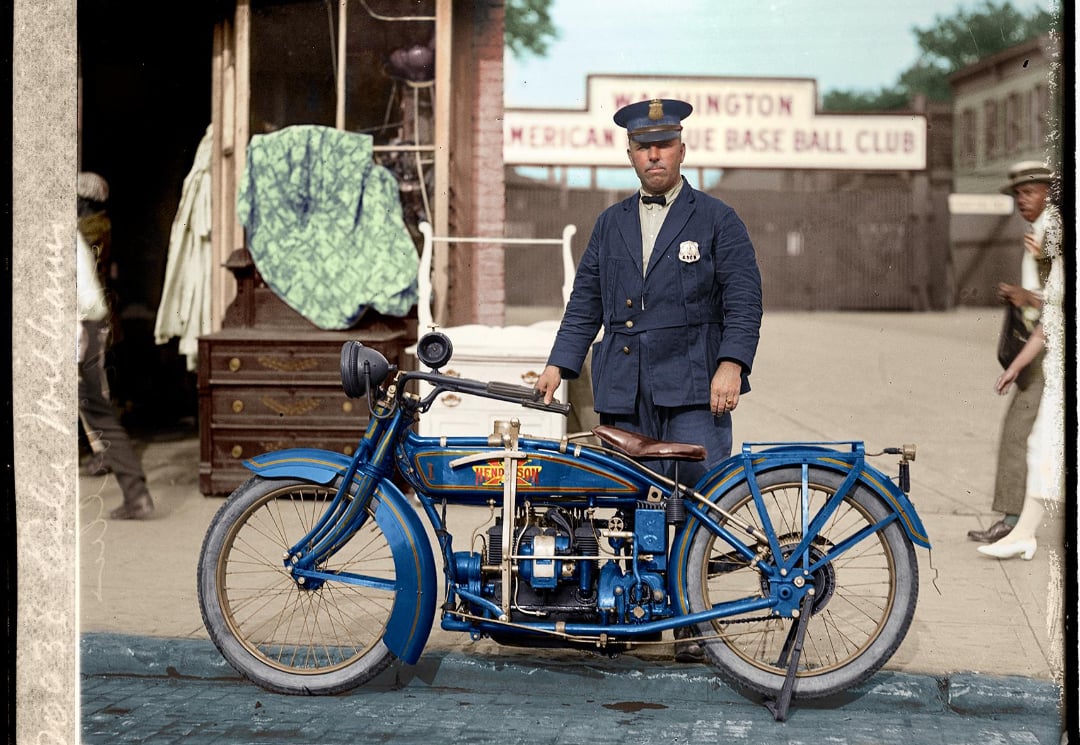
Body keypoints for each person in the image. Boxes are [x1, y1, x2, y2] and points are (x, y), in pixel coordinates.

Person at [535, 98, 763, 660]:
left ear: (682, 151)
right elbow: (585, 299)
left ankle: (693, 624)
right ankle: (632, 612)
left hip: (694, 388)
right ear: (630, 154)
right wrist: (558, 365)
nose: (653, 155)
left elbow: (745, 297)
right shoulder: (610, 223)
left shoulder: (716, 218)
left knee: (698, 504)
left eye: (663, 145)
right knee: (631, 505)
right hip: (624, 388)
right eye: (643, 147)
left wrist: (731, 363)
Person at [967, 162, 1055, 543]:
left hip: (1050, 353)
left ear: (1049, 193)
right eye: (1018, 193)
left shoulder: (1054, 230)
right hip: (1041, 346)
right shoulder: (1038, 230)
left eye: (1030, 191)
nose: (1022, 199)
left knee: (1018, 434)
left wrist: (1027, 297)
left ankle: (1013, 521)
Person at [77, 172, 155, 520]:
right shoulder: (85, 228)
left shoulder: (91, 228)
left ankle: (115, 469)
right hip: (89, 323)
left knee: (97, 403)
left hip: (81, 326)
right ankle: (135, 493)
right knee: (99, 408)